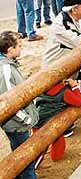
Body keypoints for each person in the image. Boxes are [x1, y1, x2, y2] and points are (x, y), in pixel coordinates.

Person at [0, 31, 39, 178]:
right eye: (19, 46)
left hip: (17, 122)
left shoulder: (8, 65)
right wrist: (26, 120)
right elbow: (10, 102)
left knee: (18, 156)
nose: (21, 48)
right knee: (26, 161)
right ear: (10, 50)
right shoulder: (6, 69)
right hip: (17, 124)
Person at [34, 78, 81, 166]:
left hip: (37, 119)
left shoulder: (43, 89)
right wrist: (75, 87)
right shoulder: (63, 92)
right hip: (49, 123)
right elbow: (79, 102)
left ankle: (53, 156)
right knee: (43, 146)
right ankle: (34, 164)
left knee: (39, 141)